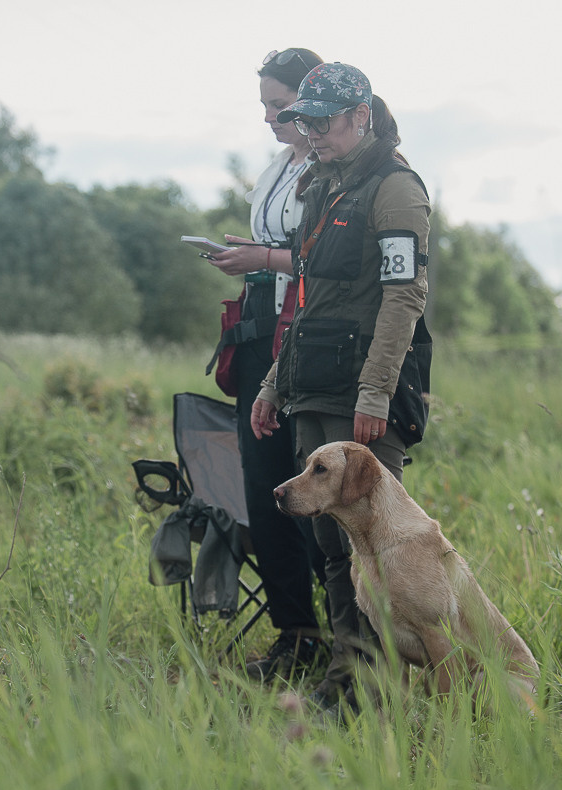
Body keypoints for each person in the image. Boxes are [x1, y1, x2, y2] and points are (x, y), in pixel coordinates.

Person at [250, 62, 432, 707]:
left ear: (361, 116)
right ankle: (347, 681)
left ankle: (383, 692)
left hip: (363, 391)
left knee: (380, 554)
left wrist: (376, 393)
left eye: (324, 122)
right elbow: (304, 297)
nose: (313, 133)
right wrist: (275, 382)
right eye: (306, 121)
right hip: (313, 385)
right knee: (331, 546)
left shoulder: (395, 188)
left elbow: (403, 296)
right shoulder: (319, 185)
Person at [203, 48, 328, 680]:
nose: (272, 120)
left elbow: (330, 262)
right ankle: (295, 638)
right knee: (264, 487)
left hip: (305, 340)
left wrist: (264, 260)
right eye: (266, 108)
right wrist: (246, 255)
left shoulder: (334, 173)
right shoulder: (278, 166)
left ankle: (343, 640)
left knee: (306, 490)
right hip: (258, 335)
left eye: (281, 107)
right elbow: (280, 248)